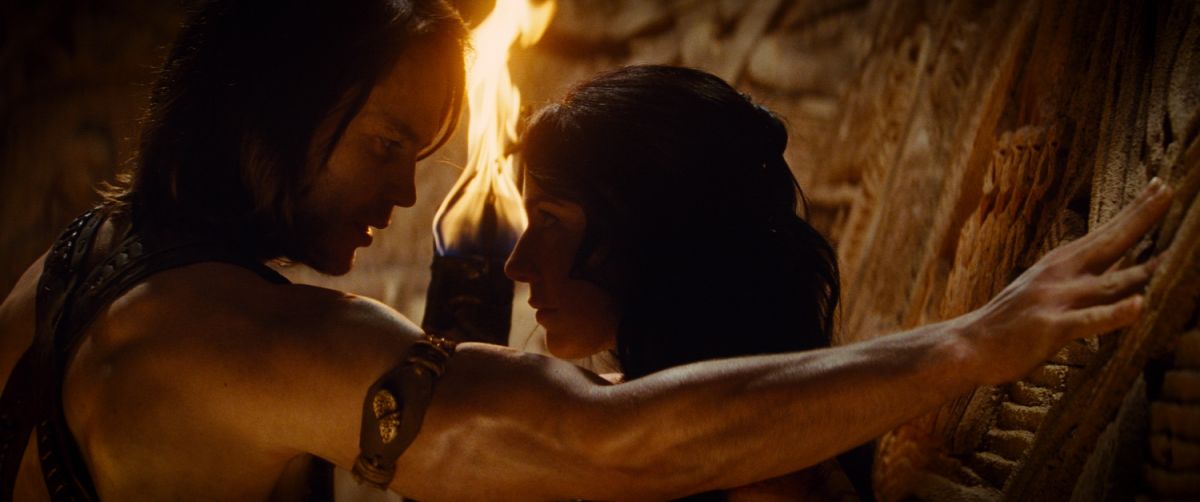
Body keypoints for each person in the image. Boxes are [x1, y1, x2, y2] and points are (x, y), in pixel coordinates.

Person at [0, 0, 1171, 500]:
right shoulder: (251, 340)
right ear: (269, 107)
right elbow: (597, 436)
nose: (403, 192)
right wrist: (974, 342)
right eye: (387, 143)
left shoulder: (74, 262)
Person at [506, 65, 868, 500]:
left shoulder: (760, 470)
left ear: (651, 229)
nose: (517, 264)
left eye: (549, 219)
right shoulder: (646, 423)